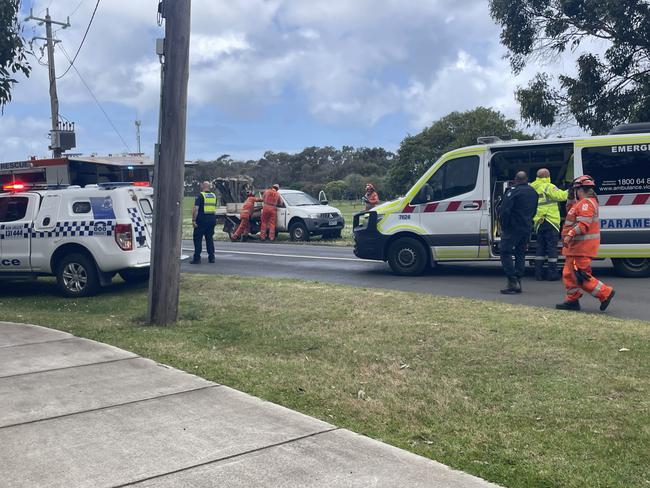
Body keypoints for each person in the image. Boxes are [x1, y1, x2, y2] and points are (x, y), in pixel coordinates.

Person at [556, 175, 615, 311]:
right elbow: (571, 212)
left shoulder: (586, 203)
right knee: (569, 274)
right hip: (575, 248)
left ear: (579, 189)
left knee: (580, 276)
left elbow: (583, 225)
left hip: (581, 247)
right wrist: (570, 198)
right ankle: (572, 300)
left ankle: (605, 293)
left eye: (574, 189)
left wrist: (569, 236)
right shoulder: (581, 203)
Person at [499, 171, 539, 294]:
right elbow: (534, 210)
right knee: (520, 253)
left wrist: (504, 226)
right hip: (526, 227)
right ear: (526, 179)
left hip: (512, 228)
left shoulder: (513, 191)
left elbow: (505, 211)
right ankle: (519, 280)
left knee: (505, 251)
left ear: (516, 179)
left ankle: (512, 281)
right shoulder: (533, 192)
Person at [531, 168, 568, 281]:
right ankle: (552, 273)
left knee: (540, 247)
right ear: (548, 176)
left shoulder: (532, 187)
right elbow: (561, 196)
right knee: (551, 247)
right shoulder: (548, 186)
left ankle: (538, 273)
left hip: (538, 221)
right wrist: (571, 189)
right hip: (550, 220)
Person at [190, 181, 218, 264]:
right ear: (209, 187)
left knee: (197, 239)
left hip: (202, 220)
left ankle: (197, 258)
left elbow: (196, 209)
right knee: (209, 239)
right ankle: (211, 257)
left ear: (203, 186)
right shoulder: (213, 196)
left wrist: (193, 220)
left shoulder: (200, 196)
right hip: (212, 219)